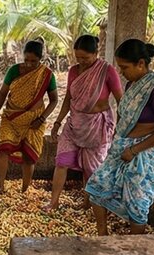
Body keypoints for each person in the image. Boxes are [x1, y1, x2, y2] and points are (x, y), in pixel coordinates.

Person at [85, 39, 154, 235]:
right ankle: (102, 235)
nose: (122, 73)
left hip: (146, 151)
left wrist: (134, 150)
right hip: (123, 145)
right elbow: (124, 115)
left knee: (137, 202)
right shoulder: (132, 84)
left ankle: (135, 249)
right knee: (97, 186)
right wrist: (119, 139)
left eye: (125, 67)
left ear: (141, 63)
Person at [45, 35, 121, 211]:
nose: (81, 61)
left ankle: (89, 204)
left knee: (91, 168)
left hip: (96, 126)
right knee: (61, 162)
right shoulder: (73, 71)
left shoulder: (107, 71)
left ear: (96, 53)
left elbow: (120, 100)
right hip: (74, 122)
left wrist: (120, 128)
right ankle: (53, 202)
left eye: (85, 58)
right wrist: (57, 122)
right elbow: (69, 98)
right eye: (78, 57)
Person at [0, 40, 58, 197]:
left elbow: (54, 100)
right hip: (11, 117)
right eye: (26, 60)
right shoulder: (14, 70)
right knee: (3, 149)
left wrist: (42, 118)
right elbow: (2, 93)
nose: (29, 64)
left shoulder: (46, 75)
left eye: (33, 61)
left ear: (41, 59)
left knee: (29, 155)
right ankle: (0, 186)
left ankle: (25, 189)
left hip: (33, 120)